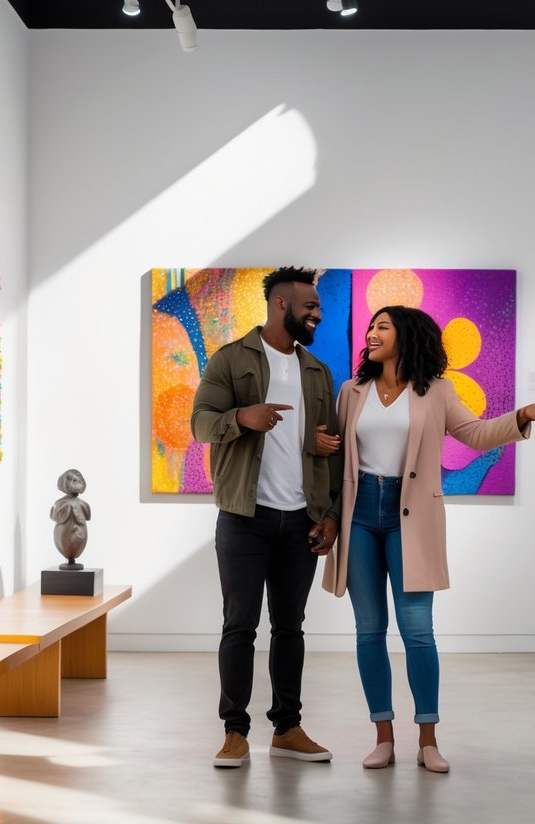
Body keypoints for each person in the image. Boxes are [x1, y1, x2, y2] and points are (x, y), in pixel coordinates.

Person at [319, 305, 535, 773]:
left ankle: (428, 740)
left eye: (382, 327)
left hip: (409, 516)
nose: (371, 333)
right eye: (371, 326)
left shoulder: (436, 391)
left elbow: (474, 434)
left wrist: (521, 416)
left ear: (406, 336)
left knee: (418, 633)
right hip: (360, 515)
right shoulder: (352, 392)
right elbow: (337, 459)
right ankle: (384, 737)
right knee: (369, 631)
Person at [191, 267, 342, 769]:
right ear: (281, 305)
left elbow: (332, 450)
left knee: (290, 627)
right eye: (310, 307)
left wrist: (333, 515)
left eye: (318, 307)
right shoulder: (231, 359)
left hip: (301, 520)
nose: (317, 314)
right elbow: (200, 424)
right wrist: (242, 418)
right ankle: (235, 732)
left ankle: (287, 727)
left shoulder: (318, 372)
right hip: (243, 517)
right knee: (239, 626)